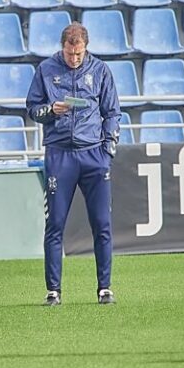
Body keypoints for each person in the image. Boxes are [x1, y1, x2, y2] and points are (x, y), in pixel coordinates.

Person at [26, 22, 121, 306]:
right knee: (55, 223)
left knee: (102, 224)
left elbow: (112, 112)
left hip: (93, 155)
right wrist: (51, 110)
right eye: (70, 54)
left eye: (79, 54)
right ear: (63, 47)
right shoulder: (46, 69)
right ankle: (53, 291)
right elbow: (32, 109)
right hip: (59, 155)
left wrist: (107, 150)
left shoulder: (100, 70)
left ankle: (105, 288)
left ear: (85, 48)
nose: (74, 59)